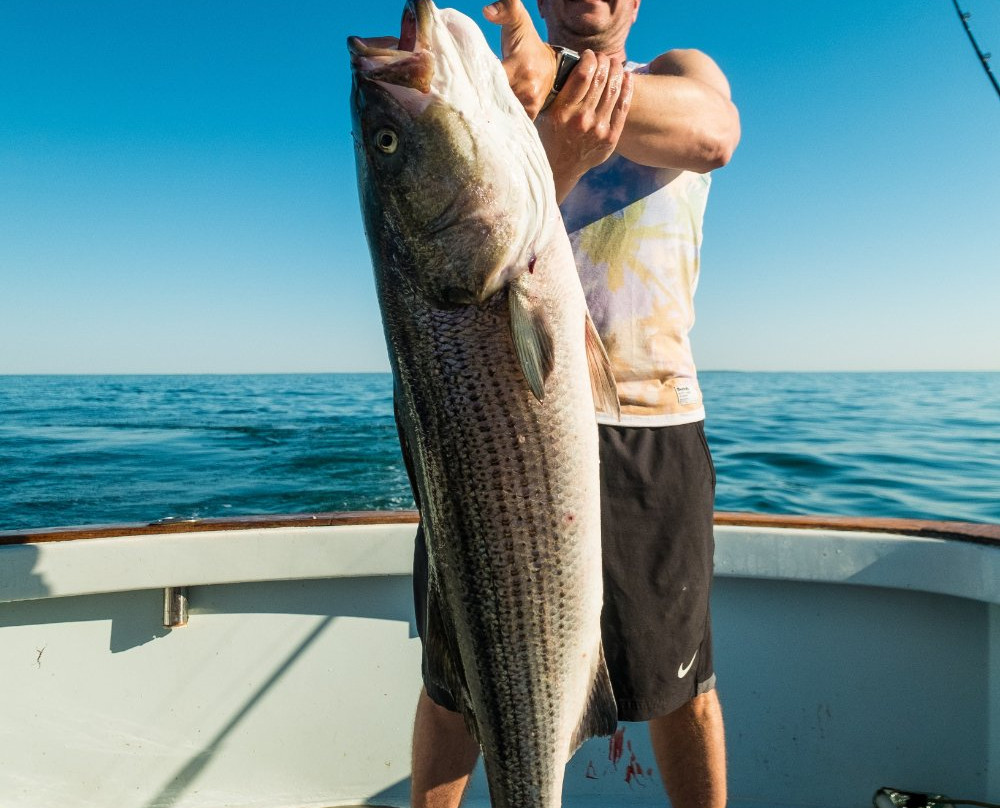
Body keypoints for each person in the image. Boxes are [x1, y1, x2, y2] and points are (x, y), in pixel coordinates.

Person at [410, 1, 741, 807]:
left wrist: (554, 78)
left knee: (680, 683)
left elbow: (712, 134)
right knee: (459, 684)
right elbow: (485, 244)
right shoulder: (497, 104)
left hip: (650, 423)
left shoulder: (678, 72)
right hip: (496, 417)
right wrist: (551, 147)